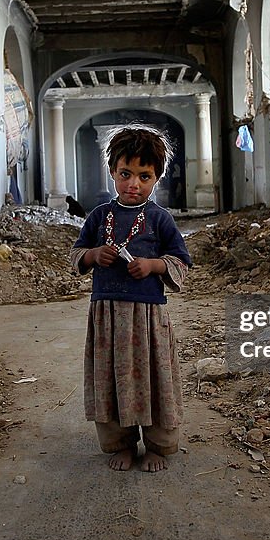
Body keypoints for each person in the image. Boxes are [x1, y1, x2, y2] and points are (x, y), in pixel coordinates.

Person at [70, 126, 192, 472]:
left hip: (148, 319)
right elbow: (76, 253)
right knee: (111, 379)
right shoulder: (98, 217)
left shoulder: (160, 219)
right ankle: (119, 444)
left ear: (157, 178)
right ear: (112, 172)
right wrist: (94, 256)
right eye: (125, 174)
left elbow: (181, 261)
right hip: (107, 317)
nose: (133, 184)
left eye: (144, 176)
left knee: (154, 379)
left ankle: (157, 445)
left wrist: (154, 265)